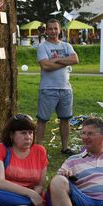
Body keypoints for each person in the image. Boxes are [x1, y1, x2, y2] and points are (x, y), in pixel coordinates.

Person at [36, 19, 79, 154]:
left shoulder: (67, 46)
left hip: (66, 89)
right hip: (48, 89)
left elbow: (75, 60)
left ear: (60, 30)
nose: (53, 31)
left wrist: (56, 60)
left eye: (56, 28)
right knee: (42, 120)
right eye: (50, 29)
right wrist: (65, 62)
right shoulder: (43, 47)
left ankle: (65, 147)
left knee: (65, 119)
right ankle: (38, 149)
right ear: (46, 31)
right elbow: (46, 66)